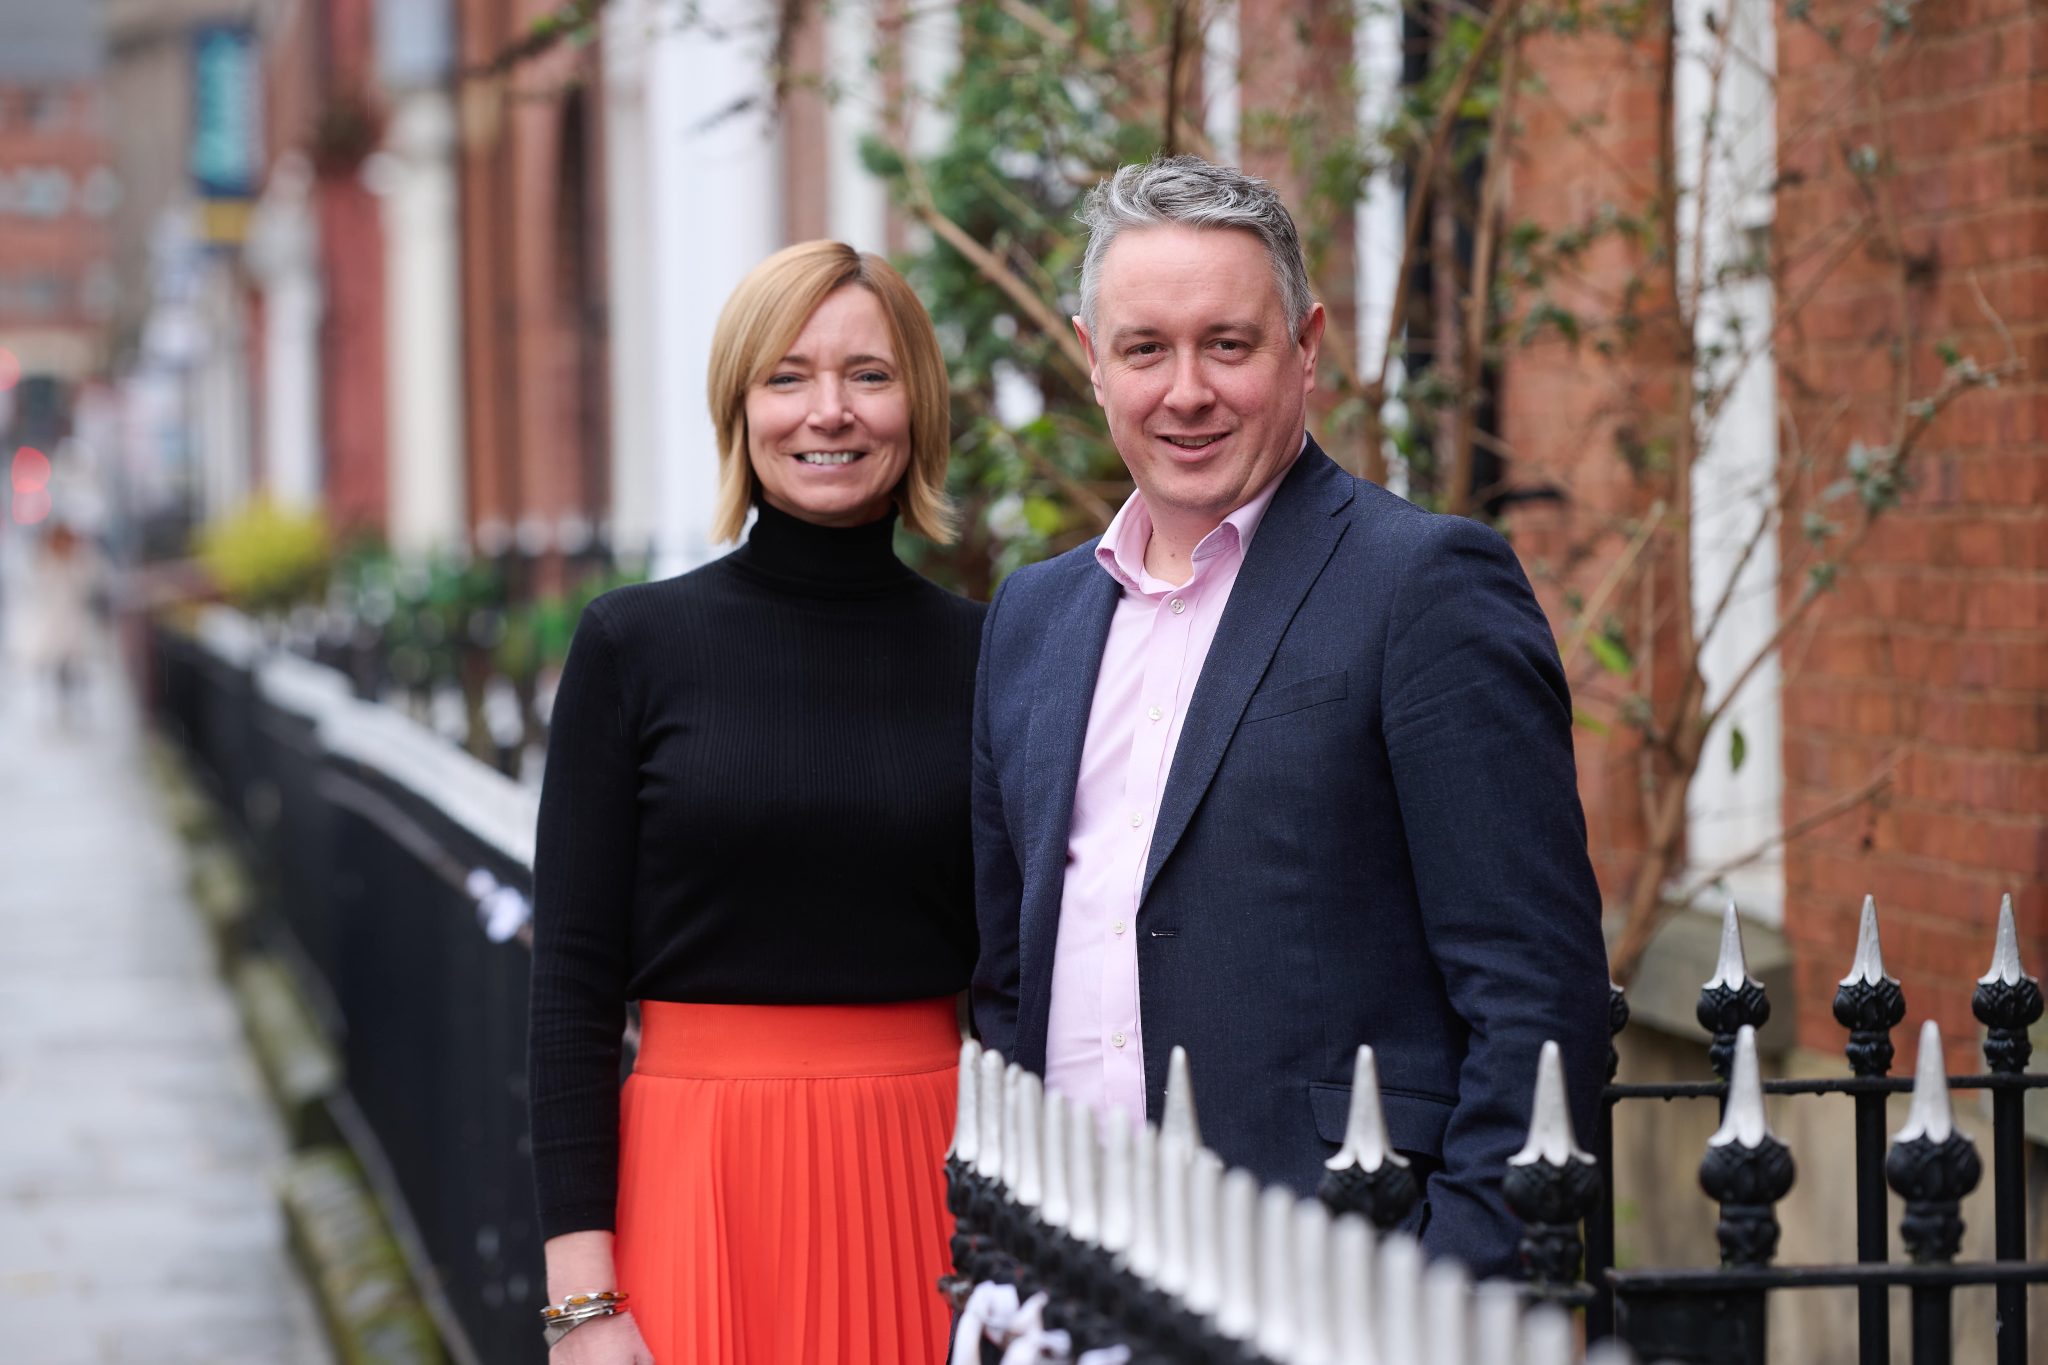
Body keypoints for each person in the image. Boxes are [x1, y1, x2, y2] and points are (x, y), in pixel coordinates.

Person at [969, 155, 1610, 1277]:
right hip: (1067, 1275)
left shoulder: (1423, 586)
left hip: (1328, 1282)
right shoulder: (1030, 619)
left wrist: (1441, 1300)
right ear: (1089, 360)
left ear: (1305, 346)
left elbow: (1535, 997)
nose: (1185, 391)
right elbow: (1004, 985)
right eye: (1143, 349)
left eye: (1227, 344)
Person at [529, 240, 983, 1364]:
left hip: (928, 1172)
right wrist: (582, 1302)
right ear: (739, 407)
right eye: (787, 377)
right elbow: (570, 987)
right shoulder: (633, 645)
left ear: (914, 405)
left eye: (867, 376)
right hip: (696, 1171)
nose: (828, 412)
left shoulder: (996, 653)